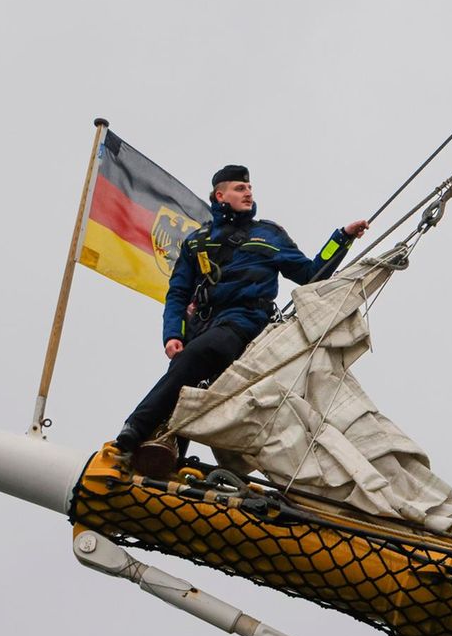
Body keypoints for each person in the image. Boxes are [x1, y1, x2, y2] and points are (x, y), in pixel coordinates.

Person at [113, 163, 369, 467]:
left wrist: (342, 238)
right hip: (203, 326)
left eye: (249, 188)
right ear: (220, 195)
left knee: (201, 354)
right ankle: (167, 455)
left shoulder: (269, 235)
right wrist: (173, 335)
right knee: (184, 377)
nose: (248, 192)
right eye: (240, 188)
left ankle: (135, 427)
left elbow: (312, 274)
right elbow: (178, 294)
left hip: (245, 322)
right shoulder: (197, 242)